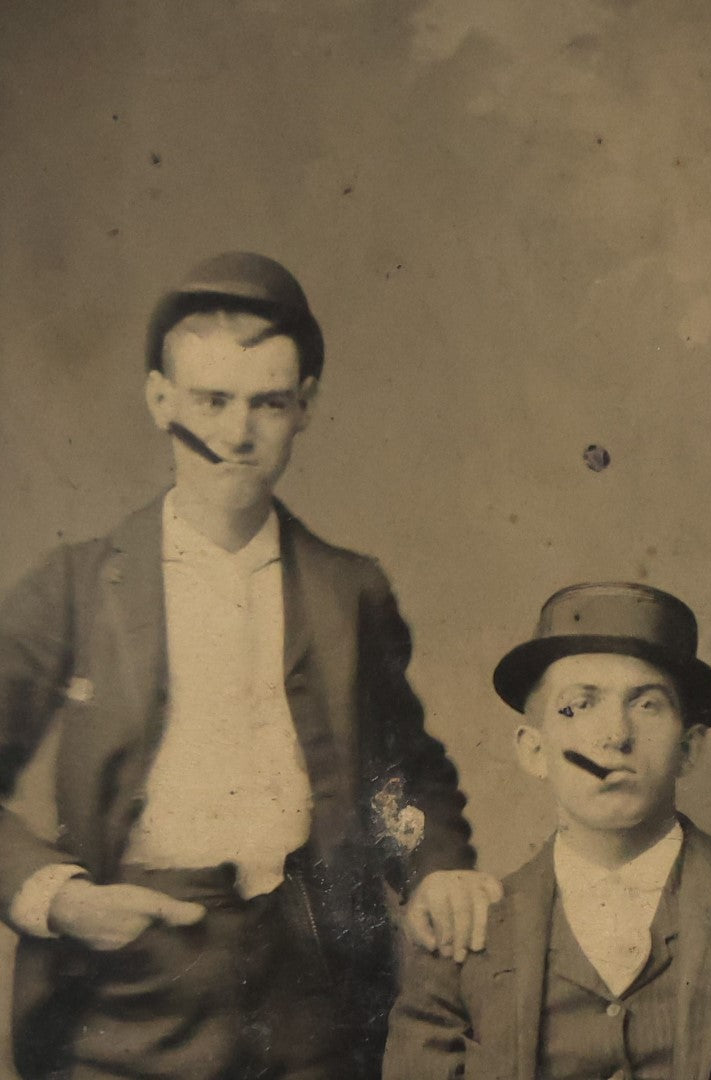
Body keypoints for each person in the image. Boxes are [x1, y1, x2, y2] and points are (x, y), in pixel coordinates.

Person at [0, 252, 500, 1079]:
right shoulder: (77, 586)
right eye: (211, 401)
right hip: (127, 991)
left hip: (313, 990)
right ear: (160, 400)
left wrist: (437, 867)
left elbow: (403, 775)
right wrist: (59, 898)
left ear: (305, 407)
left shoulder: (349, 590)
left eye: (267, 403)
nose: (236, 434)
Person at [383, 581, 711, 1080]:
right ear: (535, 750)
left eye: (647, 704)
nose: (615, 736)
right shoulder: (467, 932)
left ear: (689, 749)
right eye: (579, 705)